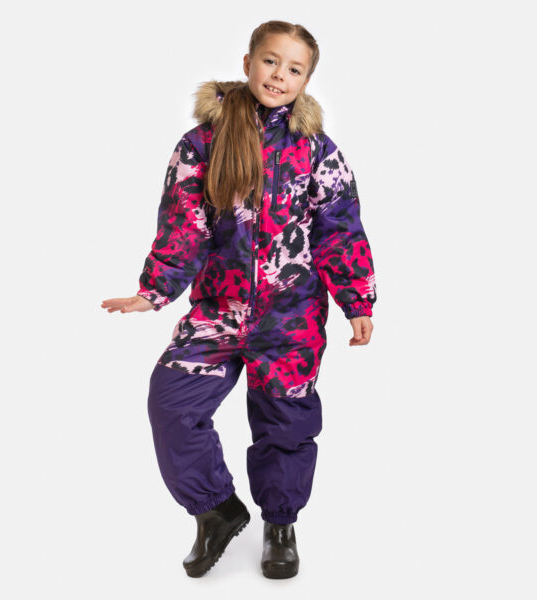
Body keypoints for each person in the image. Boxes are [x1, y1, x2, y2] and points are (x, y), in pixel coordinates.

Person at [101, 20, 377, 579]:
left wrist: (358, 300)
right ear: (249, 62)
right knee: (171, 404)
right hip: (217, 312)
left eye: (294, 69)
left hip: (291, 318)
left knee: (285, 426)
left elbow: (340, 230)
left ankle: (280, 524)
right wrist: (154, 291)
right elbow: (184, 225)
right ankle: (217, 510)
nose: (279, 75)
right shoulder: (201, 143)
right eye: (271, 61)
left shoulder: (316, 151)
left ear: (305, 81)